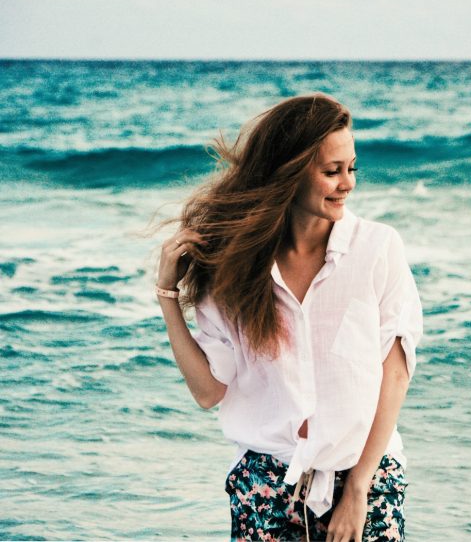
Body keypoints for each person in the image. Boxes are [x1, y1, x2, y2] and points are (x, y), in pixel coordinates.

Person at [155, 94, 423, 542]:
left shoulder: (378, 248)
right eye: (332, 171)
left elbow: (394, 374)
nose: (348, 184)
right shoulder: (235, 266)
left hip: (366, 478)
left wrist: (357, 489)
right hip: (264, 483)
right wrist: (168, 297)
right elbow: (208, 392)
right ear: (290, 173)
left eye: (351, 168)